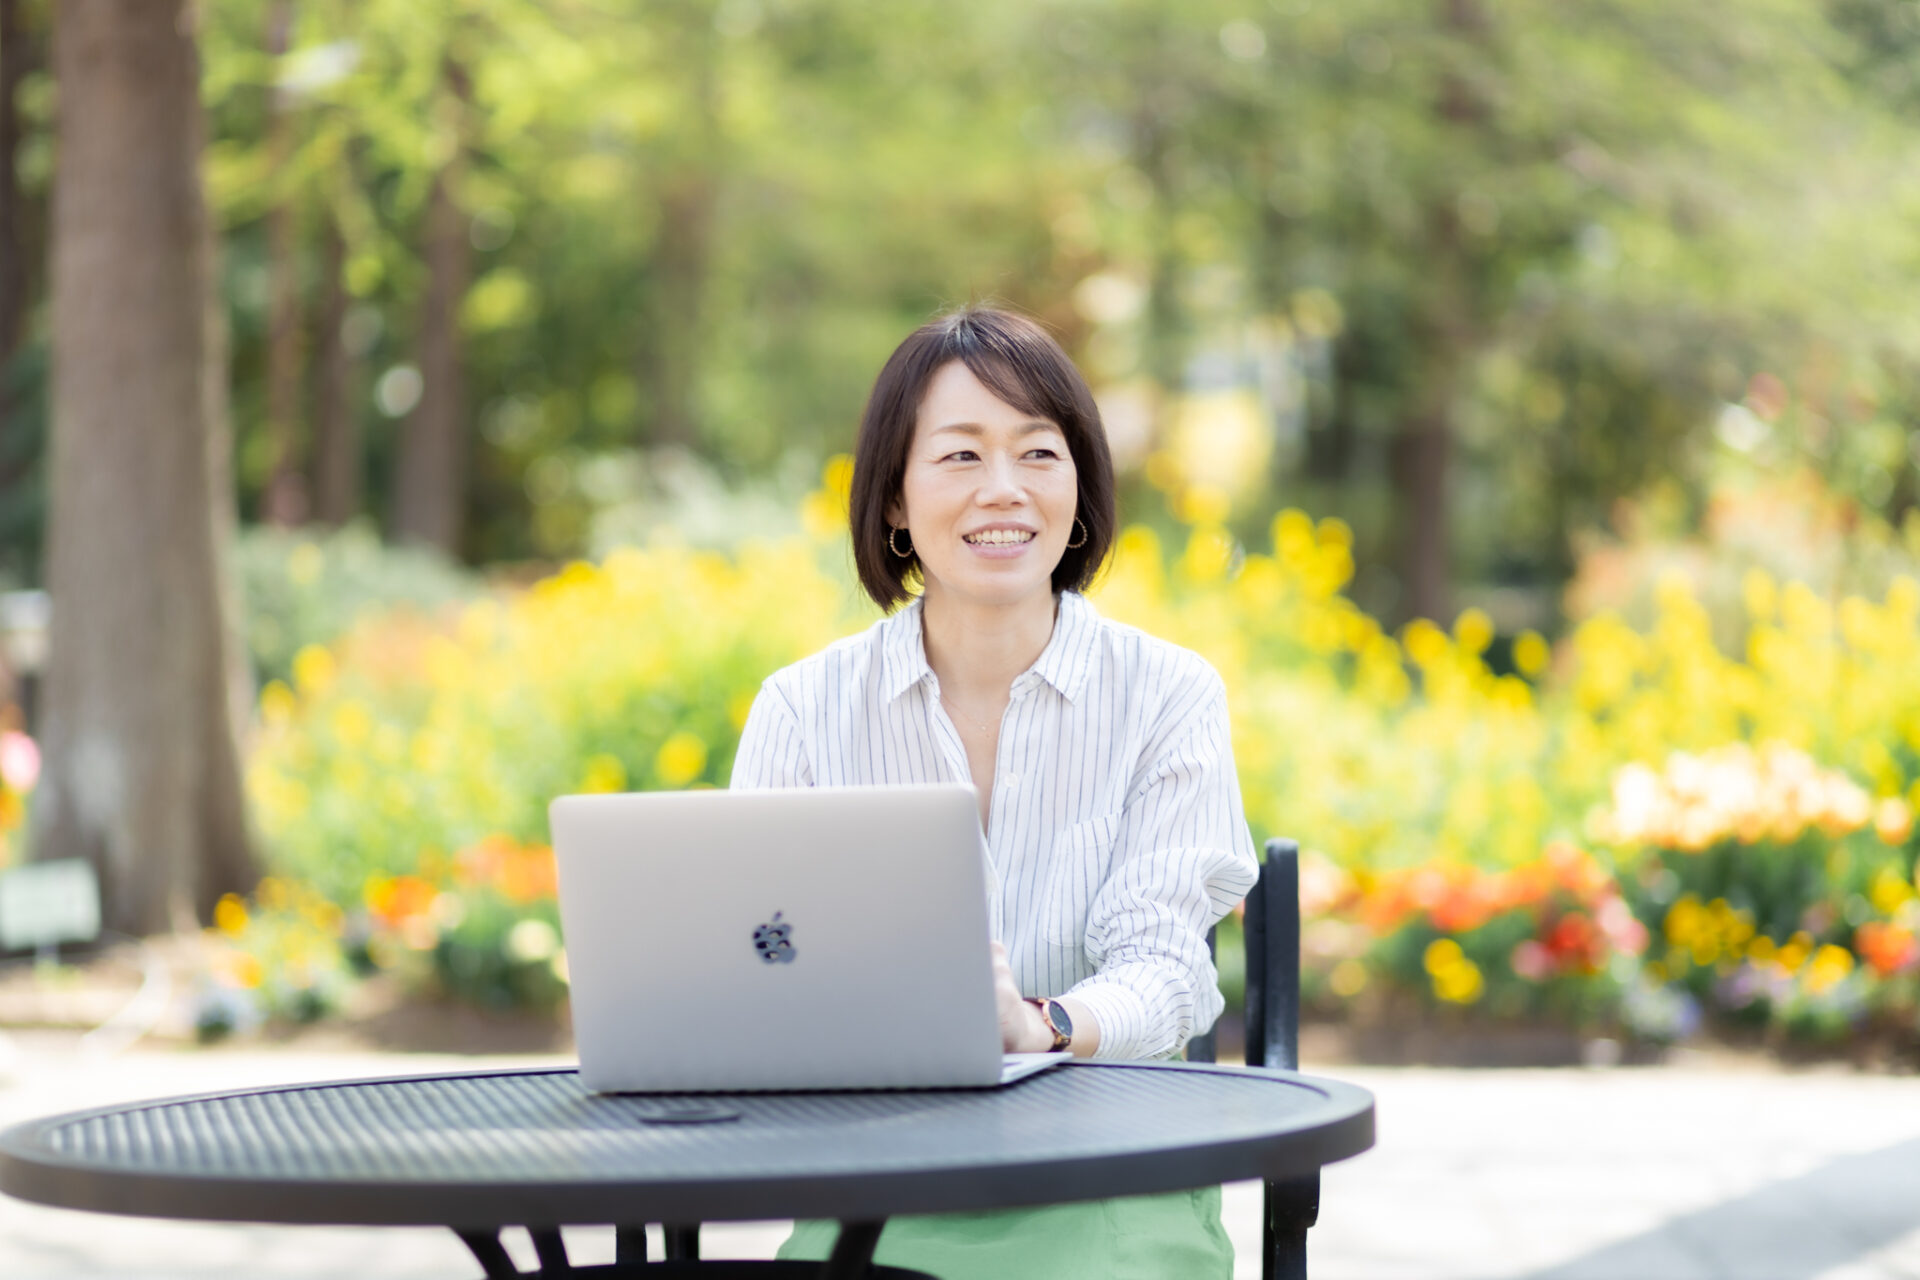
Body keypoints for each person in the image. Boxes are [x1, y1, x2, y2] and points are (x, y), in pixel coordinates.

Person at [730, 305, 1258, 1279]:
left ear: (1082, 487)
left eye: (1038, 454)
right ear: (892, 500)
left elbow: (1167, 969)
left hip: (1113, 1167)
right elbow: (761, 959)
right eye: (962, 457)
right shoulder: (802, 708)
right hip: (877, 1174)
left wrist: (1043, 1026)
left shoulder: (1167, 694)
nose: (1004, 491)